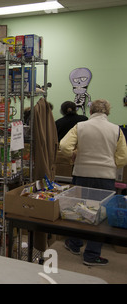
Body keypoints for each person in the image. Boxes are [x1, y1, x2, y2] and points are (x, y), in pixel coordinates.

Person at [59, 99, 127, 266]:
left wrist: (73, 155)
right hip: (105, 178)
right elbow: (123, 157)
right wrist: (112, 165)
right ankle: (91, 255)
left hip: (81, 174)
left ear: (91, 112)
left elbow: (64, 146)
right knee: (100, 216)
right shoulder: (116, 129)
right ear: (107, 112)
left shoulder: (80, 126)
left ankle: (74, 244)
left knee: (78, 209)